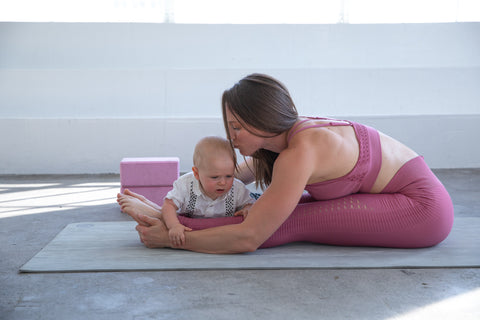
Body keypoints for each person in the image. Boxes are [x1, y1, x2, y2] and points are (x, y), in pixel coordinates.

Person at [120, 73, 454, 253]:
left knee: (288, 222)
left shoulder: (299, 152)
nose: (231, 137)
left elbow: (249, 238)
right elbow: (223, 177)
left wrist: (176, 238)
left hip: (421, 209)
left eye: (236, 127)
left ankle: (172, 228)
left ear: (260, 121)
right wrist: (171, 202)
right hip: (392, 195)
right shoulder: (281, 137)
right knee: (266, 208)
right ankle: (170, 219)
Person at [118, 136, 254, 247]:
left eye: (229, 176)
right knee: (168, 212)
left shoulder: (237, 188)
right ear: (196, 173)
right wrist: (174, 226)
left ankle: (156, 214)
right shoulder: (185, 185)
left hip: (219, 230)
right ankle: (159, 215)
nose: (223, 182)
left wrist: (247, 208)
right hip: (190, 225)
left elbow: (249, 204)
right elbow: (169, 205)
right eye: (215, 177)